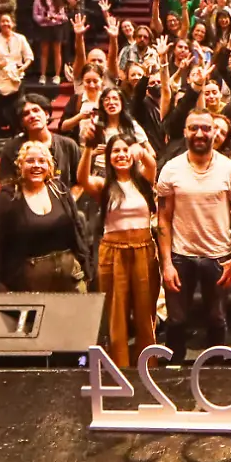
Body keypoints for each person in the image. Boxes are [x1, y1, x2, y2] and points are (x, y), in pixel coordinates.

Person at [157, 108, 231, 358]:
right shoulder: (170, 170)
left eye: (206, 128)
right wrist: (166, 263)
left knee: (217, 318)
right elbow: (163, 218)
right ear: (185, 131)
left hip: (219, 257)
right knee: (176, 320)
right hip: (180, 256)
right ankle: (172, 374)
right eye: (194, 128)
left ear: (214, 132)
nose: (200, 133)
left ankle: (215, 374)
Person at [87, 133, 161, 367]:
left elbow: (152, 165)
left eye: (125, 150)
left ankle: (148, 365)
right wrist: (89, 150)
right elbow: (81, 178)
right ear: (108, 157)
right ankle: (119, 367)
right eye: (115, 151)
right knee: (116, 314)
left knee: (145, 311)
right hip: (113, 251)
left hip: (144, 248)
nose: (121, 154)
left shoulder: (142, 180)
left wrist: (142, 150)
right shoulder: (104, 185)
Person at [0, 139, 91, 292]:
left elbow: (77, 228)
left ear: (49, 167)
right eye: (30, 161)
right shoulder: (7, 199)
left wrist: (86, 266)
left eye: (42, 161)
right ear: (20, 166)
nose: (36, 165)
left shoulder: (60, 190)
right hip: (28, 284)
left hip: (70, 277)